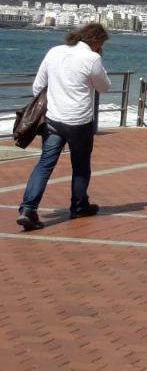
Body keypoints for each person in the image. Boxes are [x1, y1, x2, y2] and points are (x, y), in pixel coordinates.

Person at [17, 24, 112, 231]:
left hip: (53, 120)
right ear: (96, 41)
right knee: (80, 166)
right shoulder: (92, 58)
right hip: (79, 122)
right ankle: (79, 206)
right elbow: (104, 86)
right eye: (102, 43)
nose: (101, 47)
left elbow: (37, 86)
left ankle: (28, 208)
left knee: (44, 164)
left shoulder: (54, 51)